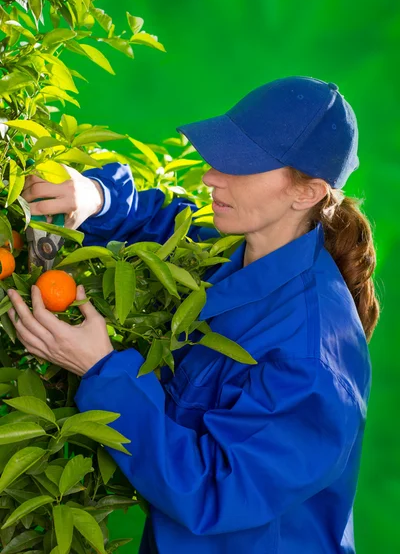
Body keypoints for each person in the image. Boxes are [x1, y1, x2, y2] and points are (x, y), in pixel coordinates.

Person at [7, 76, 380, 554]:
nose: (210, 177)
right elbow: (168, 229)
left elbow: (216, 492)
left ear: (306, 193)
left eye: (242, 166)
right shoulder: (240, 251)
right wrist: (96, 198)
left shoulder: (313, 357)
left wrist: (102, 371)